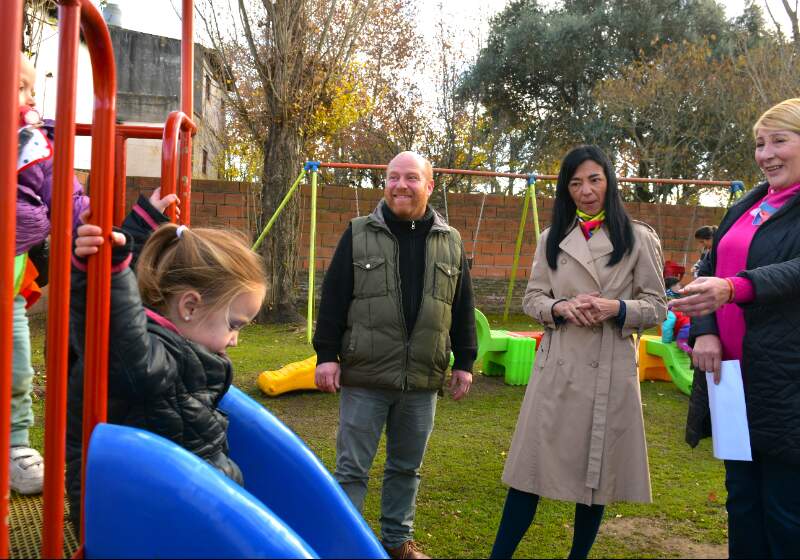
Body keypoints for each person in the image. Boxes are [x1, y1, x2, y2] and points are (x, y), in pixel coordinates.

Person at [490, 145, 666, 559]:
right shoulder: (552, 238)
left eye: (594, 180)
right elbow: (532, 297)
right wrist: (559, 308)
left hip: (609, 369)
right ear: (566, 190)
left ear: (609, 182)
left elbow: (658, 306)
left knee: (595, 477)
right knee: (527, 473)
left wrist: (616, 308)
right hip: (557, 369)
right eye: (575, 183)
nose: (586, 191)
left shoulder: (638, 238)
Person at [312, 151, 477, 560]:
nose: (400, 185)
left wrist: (466, 362)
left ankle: (396, 542)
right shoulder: (358, 232)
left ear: (429, 186)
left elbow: (461, 306)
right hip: (366, 375)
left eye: (410, 178)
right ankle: (345, 544)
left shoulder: (450, 241)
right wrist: (326, 355)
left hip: (421, 378)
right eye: (392, 178)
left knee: (406, 468)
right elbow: (333, 298)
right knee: (351, 470)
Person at [66, 201, 267, 529]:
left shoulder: (174, 344)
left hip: (176, 495)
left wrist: (141, 224)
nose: (235, 340)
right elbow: (119, 331)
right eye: (234, 325)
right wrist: (107, 267)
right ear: (189, 306)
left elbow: (131, 306)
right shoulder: (153, 361)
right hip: (137, 516)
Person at [672, 97, 800, 559]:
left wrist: (736, 288)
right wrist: (705, 329)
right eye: (760, 144)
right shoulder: (749, 203)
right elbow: (710, 266)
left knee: (785, 510)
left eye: (779, 141)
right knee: (741, 501)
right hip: (731, 378)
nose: (766, 154)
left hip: (784, 381)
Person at [11, 53, 89, 495]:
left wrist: (91, 223)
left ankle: (16, 447)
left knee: (20, 372)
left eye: (33, 91)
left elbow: (64, 193)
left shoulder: (33, 143)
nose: (30, 100)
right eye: (21, 88)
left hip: (11, 290)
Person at [662, 279, 691, 353]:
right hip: (687, 326)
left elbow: (668, 324)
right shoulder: (669, 300)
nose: (680, 286)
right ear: (672, 286)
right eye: (678, 285)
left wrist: (666, 341)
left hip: (684, 326)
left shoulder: (677, 298)